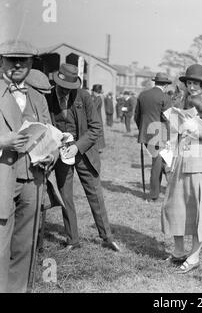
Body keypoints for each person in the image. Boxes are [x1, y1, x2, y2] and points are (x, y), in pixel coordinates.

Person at [0, 40, 58, 292]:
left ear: (31, 63)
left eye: (23, 60)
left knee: (25, 244)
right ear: (2, 61)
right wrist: (4, 141)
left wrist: (51, 155)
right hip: (2, 178)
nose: (17, 65)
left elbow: (49, 134)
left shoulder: (37, 97)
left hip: (33, 180)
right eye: (12, 59)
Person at [161, 63, 202, 274]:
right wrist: (169, 152)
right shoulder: (182, 99)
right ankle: (179, 250)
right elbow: (175, 130)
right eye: (189, 82)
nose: (191, 87)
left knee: (198, 212)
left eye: (195, 83)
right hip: (181, 160)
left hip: (201, 164)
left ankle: (194, 256)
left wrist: (197, 128)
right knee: (175, 207)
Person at [46, 63, 120, 253]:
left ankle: (107, 237)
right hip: (61, 153)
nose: (65, 92)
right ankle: (73, 240)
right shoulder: (47, 97)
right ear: (56, 82)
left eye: (70, 88)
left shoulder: (85, 97)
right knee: (65, 196)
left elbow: (96, 128)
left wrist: (77, 147)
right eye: (62, 88)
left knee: (95, 194)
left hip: (84, 153)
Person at [134, 72, 172, 202]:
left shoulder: (143, 94)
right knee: (157, 164)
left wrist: (142, 130)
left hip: (145, 134)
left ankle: (169, 189)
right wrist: (167, 139)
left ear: (155, 82)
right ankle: (154, 195)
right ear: (166, 85)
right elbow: (167, 120)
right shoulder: (165, 97)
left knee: (160, 163)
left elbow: (136, 116)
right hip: (159, 134)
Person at [91, 84, 105, 152]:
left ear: (95, 91)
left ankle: (99, 148)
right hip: (98, 117)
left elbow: (93, 107)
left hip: (97, 118)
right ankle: (98, 147)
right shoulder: (97, 98)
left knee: (98, 133)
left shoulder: (98, 98)